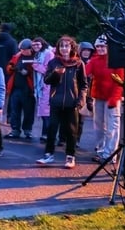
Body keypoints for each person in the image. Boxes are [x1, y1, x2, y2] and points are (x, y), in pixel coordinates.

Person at [36, 35, 88, 168]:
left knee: (72, 130)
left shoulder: (78, 63)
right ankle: (48, 155)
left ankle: (70, 157)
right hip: (56, 101)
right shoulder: (54, 62)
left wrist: (80, 100)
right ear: (58, 48)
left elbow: (84, 85)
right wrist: (56, 74)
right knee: (52, 128)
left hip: (72, 103)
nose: (64, 49)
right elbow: (47, 80)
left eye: (67, 46)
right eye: (62, 46)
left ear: (72, 47)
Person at [85, 35, 124, 164]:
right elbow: (85, 72)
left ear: (108, 47)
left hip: (112, 97)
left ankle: (110, 154)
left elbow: (120, 81)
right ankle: (101, 151)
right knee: (98, 126)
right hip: (98, 97)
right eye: (98, 46)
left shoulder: (116, 61)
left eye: (103, 46)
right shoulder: (95, 60)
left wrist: (114, 99)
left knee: (112, 126)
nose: (100, 48)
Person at [5, 39, 36, 139]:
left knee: (29, 111)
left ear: (30, 49)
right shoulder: (17, 56)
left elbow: (37, 72)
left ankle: (27, 130)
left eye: (24, 50)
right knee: (15, 110)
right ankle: (15, 130)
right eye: (21, 49)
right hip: (16, 88)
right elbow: (9, 66)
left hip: (28, 89)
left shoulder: (35, 57)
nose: (22, 51)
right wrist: (11, 67)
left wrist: (27, 72)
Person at [31, 37, 54, 142]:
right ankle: (46, 134)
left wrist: (36, 66)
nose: (36, 47)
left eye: (38, 44)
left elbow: (49, 70)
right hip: (41, 87)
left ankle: (47, 135)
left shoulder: (48, 54)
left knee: (46, 112)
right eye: (34, 45)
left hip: (47, 86)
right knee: (44, 112)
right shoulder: (38, 54)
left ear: (43, 44)